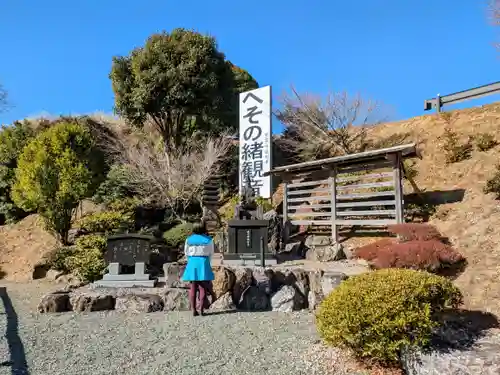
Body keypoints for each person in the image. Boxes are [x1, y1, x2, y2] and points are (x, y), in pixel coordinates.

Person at [181, 221, 216, 316]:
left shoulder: (189, 240)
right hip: (203, 262)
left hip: (192, 262)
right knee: (202, 287)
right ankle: (201, 309)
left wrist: (190, 261)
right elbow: (211, 253)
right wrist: (207, 262)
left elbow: (186, 253)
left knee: (193, 287)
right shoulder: (208, 240)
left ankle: (193, 309)